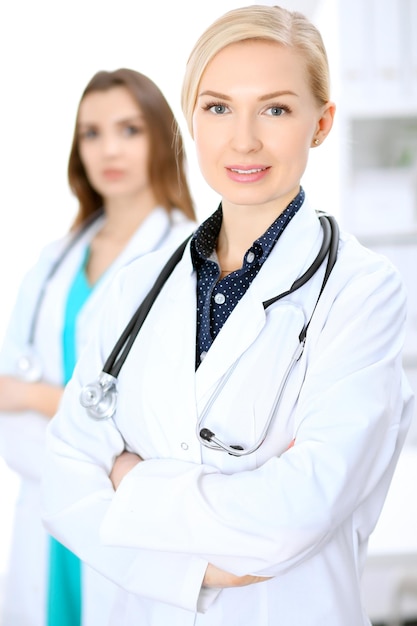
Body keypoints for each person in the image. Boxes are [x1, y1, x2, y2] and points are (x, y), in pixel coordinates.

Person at [42, 6, 414, 626]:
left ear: (320, 124)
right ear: (191, 119)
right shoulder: (137, 285)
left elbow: (300, 508)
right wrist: (205, 568)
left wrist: (130, 482)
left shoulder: (362, 291)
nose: (243, 139)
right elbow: (63, 481)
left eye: (275, 109)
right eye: (217, 108)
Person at [0, 67, 196, 626]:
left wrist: (40, 399)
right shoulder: (51, 263)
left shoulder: (192, 257)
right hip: (44, 511)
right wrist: (80, 426)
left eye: (129, 130)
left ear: (162, 137)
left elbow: (165, 425)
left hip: (130, 523)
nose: (108, 148)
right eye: (91, 132)